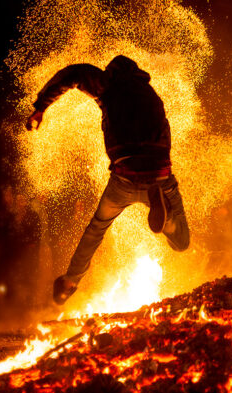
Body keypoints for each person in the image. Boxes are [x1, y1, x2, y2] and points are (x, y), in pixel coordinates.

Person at [26, 55, 190, 305]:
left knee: (96, 229)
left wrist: (40, 107)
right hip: (159, 178)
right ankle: (166, 222)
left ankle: (71, 281)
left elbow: (73, 73)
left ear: (109, 75)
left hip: (123, 178)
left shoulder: (108, 88)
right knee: (181, 242)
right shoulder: (151, 95)